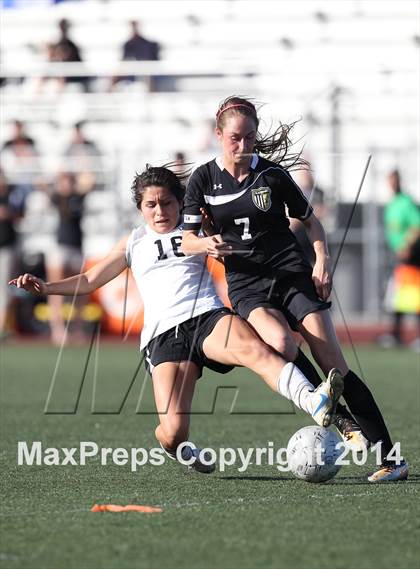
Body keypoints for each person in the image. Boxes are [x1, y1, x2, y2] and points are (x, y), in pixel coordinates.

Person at [10, 165, 343, 474]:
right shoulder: (134, 242)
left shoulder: (194, 227)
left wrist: (215, 238)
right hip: (163, 336)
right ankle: (177, 447)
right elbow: (90, 280)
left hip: (207, 317)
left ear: (179, 202)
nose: (159, 211)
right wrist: (46, 287)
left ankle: (313, 401)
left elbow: (237, 234)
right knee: (173, 431)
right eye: (151, 205)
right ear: (140, 208)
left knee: (256, 351)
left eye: (166, 203)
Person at [181, 96, 408, 482]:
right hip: (246, 282)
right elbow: (186, 239)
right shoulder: (203, 179)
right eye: (235, 138)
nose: (244, 145)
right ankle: (339, 419)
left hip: (289, 272)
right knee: (282, 345)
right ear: (219, 136)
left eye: (250, 137)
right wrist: (206, 243)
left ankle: (391, 460)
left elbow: (309, 221)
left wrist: (321, 259)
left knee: (334, 363)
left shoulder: (271, 175)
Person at [379, 169, 420, 349]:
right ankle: (396, 334)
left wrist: (407, 246)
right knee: (398, 297)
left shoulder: (406, 202)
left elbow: (416, 226)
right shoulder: (392, 204)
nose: (392, 184)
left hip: (412, 257)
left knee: (416, 297)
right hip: (399, 258)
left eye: (394, 180)